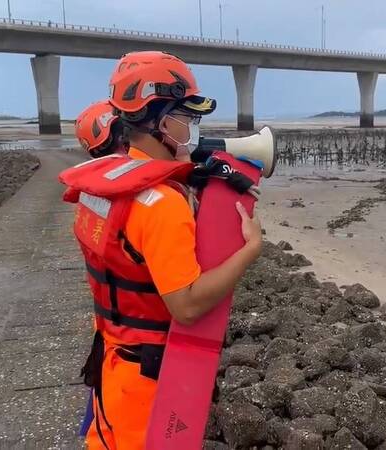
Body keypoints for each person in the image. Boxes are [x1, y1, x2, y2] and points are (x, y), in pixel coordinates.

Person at [60, 51, 263, 450]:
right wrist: (249, 249)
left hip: (112, 360)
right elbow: (185, 306)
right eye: (186, 118)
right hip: (148, 380)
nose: (192, 127)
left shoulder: (106, 185)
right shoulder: (161, 203)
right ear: (161, 121)